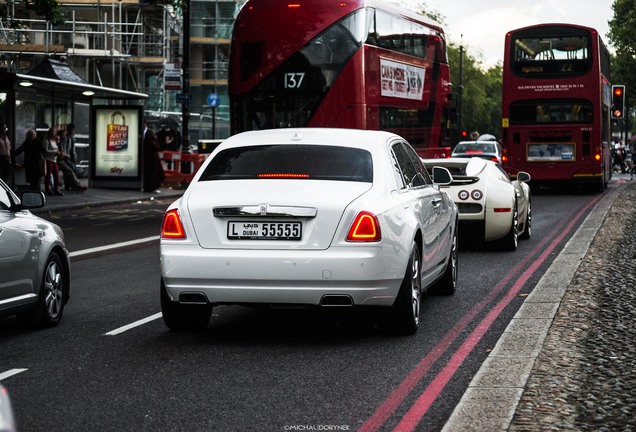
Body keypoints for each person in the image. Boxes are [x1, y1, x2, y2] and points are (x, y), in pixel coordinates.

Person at [142, 122, 165, 193]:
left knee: (152, 172)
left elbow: (155, 144)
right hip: (146, 156)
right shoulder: (144, 132)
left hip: (151, 156)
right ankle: (148, 187)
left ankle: (152, 187)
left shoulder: (149, 132)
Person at [43, 127, 63, 196]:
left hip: (54, 160)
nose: (53, 133)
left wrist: (58, 153)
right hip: (48, 159)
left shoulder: (54, 141)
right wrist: (54, 152)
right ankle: (47, 190)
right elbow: (45, 151)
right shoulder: (46, 141)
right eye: (52, 132)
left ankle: (56, 189)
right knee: (48, 176)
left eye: (54, 132)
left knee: (56, 175)